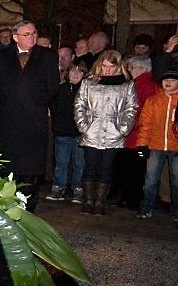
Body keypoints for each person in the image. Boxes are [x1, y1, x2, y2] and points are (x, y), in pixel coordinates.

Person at [0, 20, 61, 210]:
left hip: (35, 118)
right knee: (10, 165)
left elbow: (53, 85)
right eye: (27, 34)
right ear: (15, 38)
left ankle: (29, 207)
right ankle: (9, 204)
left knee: (32, 166)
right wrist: (13, 100)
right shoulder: (1, 57)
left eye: (34, 33)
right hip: (10, 118)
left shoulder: (47, 56)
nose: (32, 37)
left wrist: (34, 101)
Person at [73, 50, 138, 215]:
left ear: (118, 67)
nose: (107, 70)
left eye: (111, 66)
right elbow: (79, 105)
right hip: (92, 132)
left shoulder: (126, 84)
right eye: (104, 66)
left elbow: (131, 108)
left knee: (106, 168)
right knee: (90, 166)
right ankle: (88, 200)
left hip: (113, 133)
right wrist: (84, 126)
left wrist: (123, 129)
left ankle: (100, 201)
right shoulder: (89, 82)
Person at [134, 67, 178, 221]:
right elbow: (145, 124)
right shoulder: (153, 100)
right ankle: (146, 208)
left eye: (172, 80)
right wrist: (142, 145)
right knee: (150, 180)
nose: (168, 83)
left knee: (176, 181)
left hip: (175, 147)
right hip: (155, 145)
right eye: (166, 80)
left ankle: (176, 211)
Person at [116, 55, 158, 208]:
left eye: (131, 67)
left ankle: (134, 200)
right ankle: (128, 198)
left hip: (137, 138)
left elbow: (142, 113)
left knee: (135, 171)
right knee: (130, 170)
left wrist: (127, 125)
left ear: (140, 68)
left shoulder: (145, 86)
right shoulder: (139, 84)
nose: (128, 70)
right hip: (133, 136)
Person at [47, 62, 87, 203]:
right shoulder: (60, 89)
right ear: (67, 73)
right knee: (61, 162)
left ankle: (78, 189)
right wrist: (57, 125)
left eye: (80, 72)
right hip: (62, 132)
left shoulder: (86, 90)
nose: (76, 74)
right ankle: (58, 188)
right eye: (73, 71)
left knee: (79, 163)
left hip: (79, 133)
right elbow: (54, 108)